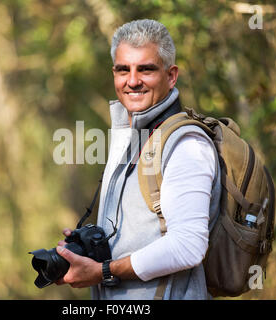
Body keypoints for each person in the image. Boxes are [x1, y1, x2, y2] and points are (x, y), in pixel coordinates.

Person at [55, 19, 222, 300]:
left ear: (171, 76)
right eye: (123, 70)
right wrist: (88, 250)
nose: (132, 81)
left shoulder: (185, 144)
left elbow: (188, 245)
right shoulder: (130, 137)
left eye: (145, 69)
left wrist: (104, 271)